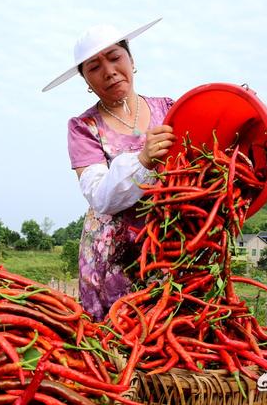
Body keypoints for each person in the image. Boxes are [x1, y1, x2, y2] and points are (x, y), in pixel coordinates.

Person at [43, 18, 176, 321]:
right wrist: (142, 160)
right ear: (86, 81)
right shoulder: (83, 127)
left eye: (115, 57)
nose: (109, 71)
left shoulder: (168, 109)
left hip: (167, 247)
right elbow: (100, 197)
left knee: (169, 333)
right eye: (94, 67)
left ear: (131, 60)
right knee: (116, 341)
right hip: (111, 257)